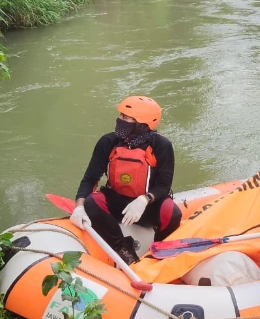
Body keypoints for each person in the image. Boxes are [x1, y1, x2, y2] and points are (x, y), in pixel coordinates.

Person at [70, 96, 182, 265]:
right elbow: (90, 178)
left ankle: (159, 249)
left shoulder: (161, 145)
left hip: (145, 205)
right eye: (121, 115)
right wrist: (79, 206)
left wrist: (145, 199)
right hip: (116, 202)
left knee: (172, 213)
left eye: (126, 118)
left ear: (143, 123)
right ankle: (123, 248)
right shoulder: (108, 142)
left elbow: (163, 186)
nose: (119, 120)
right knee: (91, 202)